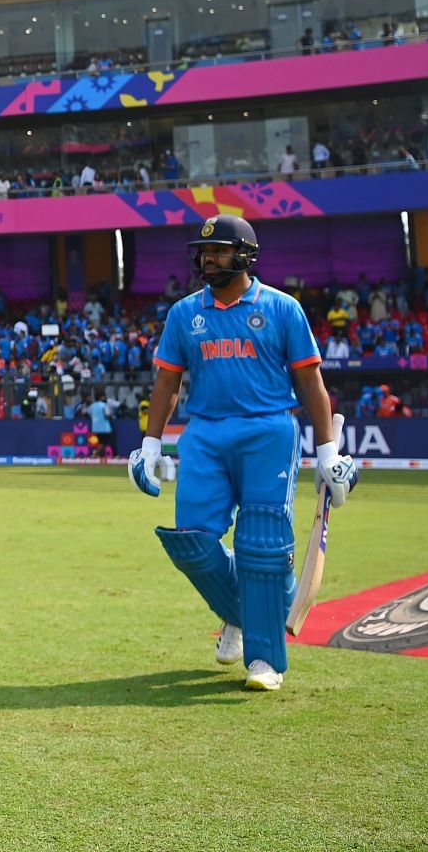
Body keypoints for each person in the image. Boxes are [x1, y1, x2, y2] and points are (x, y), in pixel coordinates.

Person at [128, 214, 356, 692]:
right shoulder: (184, 313)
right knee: (191, 541)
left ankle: (265, 661)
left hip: (268, 430)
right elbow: (168, 380)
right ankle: (243, 612)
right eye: (204, 252)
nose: (208, 259)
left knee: (263, 547)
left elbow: (310, 381)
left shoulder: (282, 308)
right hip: (205, 433)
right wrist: (151, 442)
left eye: (219, 251)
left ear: (246, 255)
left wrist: (328, 450)